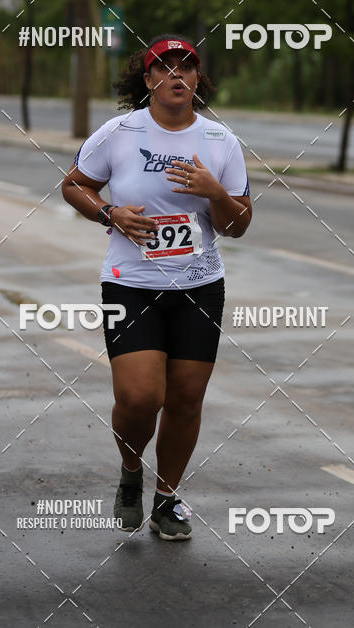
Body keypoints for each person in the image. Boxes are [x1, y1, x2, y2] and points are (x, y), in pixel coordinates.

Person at [61, 34, 251, 540]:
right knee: (141, 395)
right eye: (164, 68)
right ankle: (130, 472)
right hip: (131, 285)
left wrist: (215, 193)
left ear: (197, 79)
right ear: (147, 80)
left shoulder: (219, 142)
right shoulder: (119, 132)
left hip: (199, 286)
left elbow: (239, 225)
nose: (176, 76)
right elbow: (73, 184)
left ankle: (167, 499)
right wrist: (110, 213)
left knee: (186, 399)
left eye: (186, 68)